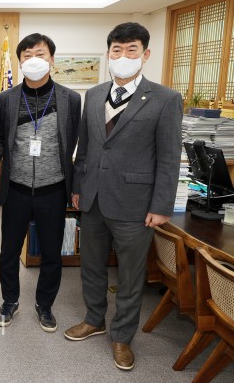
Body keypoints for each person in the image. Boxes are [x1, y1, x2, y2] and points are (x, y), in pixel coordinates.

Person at [64, 22, 183, 371]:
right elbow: (85, 148)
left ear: (145, 54)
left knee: (130, 278)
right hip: (92, 199)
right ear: (108, 54)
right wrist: (77, 187)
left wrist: (161, 205)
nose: (123, 55)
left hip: (136, 205)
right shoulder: (94, 95)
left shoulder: (165, 99)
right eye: (117, 49)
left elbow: (169, 157)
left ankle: (122, 337)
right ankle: (94, 319)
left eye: (132, 49)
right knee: (91, 267)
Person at [0, 33, 81, 332]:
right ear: (19, 62)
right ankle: (9, 300)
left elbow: (74, 142)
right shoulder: (6, 98)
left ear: (52, 59)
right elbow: (0, 138)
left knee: (51, 253)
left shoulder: (71, 99)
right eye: (27, 55)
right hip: (16, 187)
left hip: (53, 189)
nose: (34, 60)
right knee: (8, 251)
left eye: (40, 54)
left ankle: (45, 305)